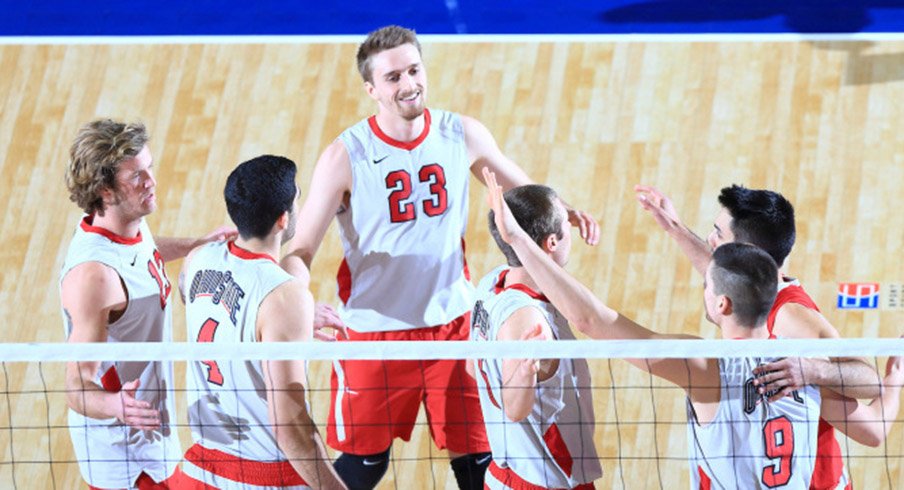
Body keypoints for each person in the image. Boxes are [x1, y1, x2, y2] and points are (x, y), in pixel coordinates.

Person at [280, 25, 599, 490]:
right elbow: (301, 248)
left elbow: (521, 190)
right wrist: (292, 304)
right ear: (371, 89)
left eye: (414, 70)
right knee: (361, 467)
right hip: (374, 334)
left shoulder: (460, 134)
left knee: (476, 463)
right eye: (393, 77)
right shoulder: (346, 155)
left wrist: (565, 211)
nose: (409, 84)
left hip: (454, 327)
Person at [484, 170, 902, 489]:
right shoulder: (801, 374)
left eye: (716, 239)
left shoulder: (705, 369)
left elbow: (594, 320)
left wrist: (519, 243)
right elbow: (873, 429)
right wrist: (893, 381)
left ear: (722, 302)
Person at [634, 184, 882, 488]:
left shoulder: (790, 317)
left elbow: (871, 399)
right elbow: (723, 274)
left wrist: (813, 370)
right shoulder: (754, 292)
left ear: (750, 255)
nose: (711, 240)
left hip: (808, 480)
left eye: (718, 234)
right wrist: (675, 228)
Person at [61, 119, 235, 489]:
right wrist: (116, 407)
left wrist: (195, 244)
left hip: (154, 433)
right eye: (136, 176)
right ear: (105, 191)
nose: (151, 181)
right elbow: (76, 385)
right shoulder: (95, 276)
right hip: (126, 455)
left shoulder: (125, 223)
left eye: (149, 168)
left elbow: (144, 254)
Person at [177, 155, 346, 489]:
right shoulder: (283, 297)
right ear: (283, 219)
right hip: (262, 479)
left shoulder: (198, 260)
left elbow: (195, 299)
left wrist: (274, 326)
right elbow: (290, 426)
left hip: (198, 472)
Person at [470, 184, 601, 489]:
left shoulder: (491, 283)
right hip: (548, 479)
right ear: (551, 242)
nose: (571, 227)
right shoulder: (530, 321)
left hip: (505, 473)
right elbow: (515, 408)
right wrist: (524, 372)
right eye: (566, 224)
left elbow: (470, 367)